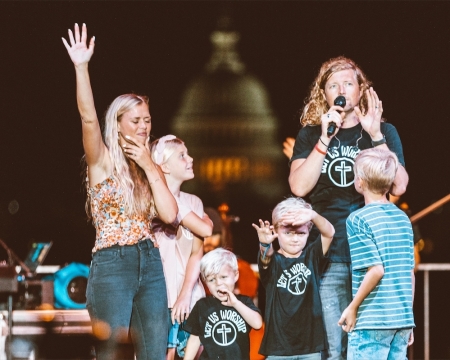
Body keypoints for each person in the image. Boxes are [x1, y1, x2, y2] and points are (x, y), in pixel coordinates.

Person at [62, 24, 178, 360]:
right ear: (118, 123)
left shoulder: (148, 165)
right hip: (114, 263)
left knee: (154, 353)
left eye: (148, 120)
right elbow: (87, 119)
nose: (144, 127)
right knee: (112, 354)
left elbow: (170, 215)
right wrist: (81, 67)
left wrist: (150, 165)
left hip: (150, 261)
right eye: (136, 120)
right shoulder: (100, 160)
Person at [288, 56, 408, 359]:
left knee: (375, 346)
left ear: (360, 89)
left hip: (375, 258)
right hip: (332, 256)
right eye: (333, 85)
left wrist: (377, 135)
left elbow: (400, 186)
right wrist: (325, 139)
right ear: (325, 94)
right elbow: (299, 187)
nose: (341, 88)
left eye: (348, 83)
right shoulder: (312, 134)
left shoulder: (383, 132)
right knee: (335, 345)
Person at [338, 148, 415, 359]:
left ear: (360, 182)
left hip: (373, 319)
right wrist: (408, 317)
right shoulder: (403, 219)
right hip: (401, 320)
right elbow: (409, 272)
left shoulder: (358, 219)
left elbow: (376, 270)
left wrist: (352, 307)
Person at [150, 135, 213, 360]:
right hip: (159, 297)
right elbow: (205, 228)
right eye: (182, 155)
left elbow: (197, 251)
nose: (191, 159)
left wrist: (185, 294)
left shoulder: (194, 201)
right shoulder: (150, 201)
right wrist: (206, 222)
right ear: (164, 166)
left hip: (190, 297)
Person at [253, 197, 335, 359]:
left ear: (308, 232)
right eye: (288, 232)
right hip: (278, 347)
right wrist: (264, 244)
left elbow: (329, 232)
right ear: (276, 231)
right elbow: (266, 256)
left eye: (301, 233)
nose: (295, 238)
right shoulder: (274, 263)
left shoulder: (312, 256)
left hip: (310, 347)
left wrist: (312, 215)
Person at [183, 248, 263, 360]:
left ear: (235, 276)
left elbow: (257, 324)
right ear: (205, 282)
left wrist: (236, 303)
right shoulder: (202, 305)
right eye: (211, 280)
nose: (219, 283)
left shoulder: (243, 302)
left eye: (223, 277)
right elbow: (195, 338)